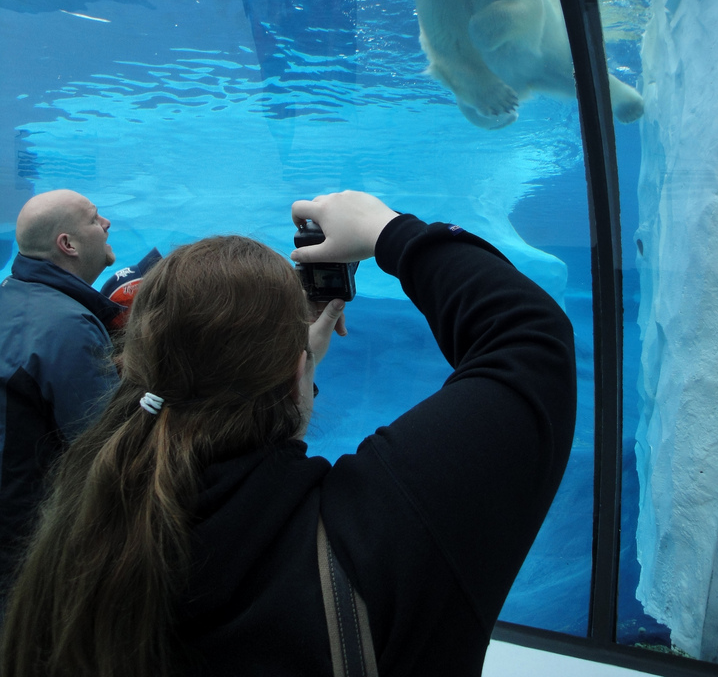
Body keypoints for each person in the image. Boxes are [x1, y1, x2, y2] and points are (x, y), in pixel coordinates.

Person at [0, 191, 576, 677]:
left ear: (129, 363)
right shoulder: (383, 532)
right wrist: (388, 231)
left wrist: (287, 372)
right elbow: (529, 340)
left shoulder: (69, 541)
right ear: (299, 367)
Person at [0, 189, 122, 594]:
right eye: (94, 218)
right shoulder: (69, 327)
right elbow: (108, 446)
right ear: (67, 244)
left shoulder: (9, 297)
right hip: (26, 553)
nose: (105, 224)